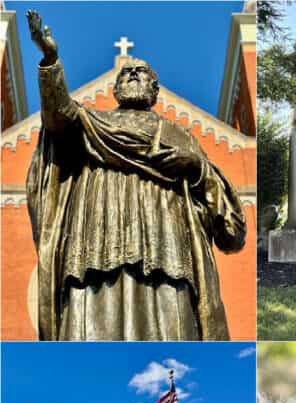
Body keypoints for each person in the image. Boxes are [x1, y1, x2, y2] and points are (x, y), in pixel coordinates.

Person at [26, 10, 246, 341]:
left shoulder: (179, 135)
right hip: (94, 245)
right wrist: (51, 59)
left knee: (174, 326)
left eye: (139, 73)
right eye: (126, 73)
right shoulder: (92, 124)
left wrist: (197, 168)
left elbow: (229, 225)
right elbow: (58, 117)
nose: (131, 75)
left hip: (167, 248)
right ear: (115, 88)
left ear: (154, 88)